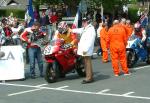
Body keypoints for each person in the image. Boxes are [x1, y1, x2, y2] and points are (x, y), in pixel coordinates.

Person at [71, 17, 96, 84]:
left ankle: (89, 78)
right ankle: (90, 76)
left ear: (87, 22)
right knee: (86, 63)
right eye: (83, 21)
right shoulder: (86, 28)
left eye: (84, 22)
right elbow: (79, 30)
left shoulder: (91, 29)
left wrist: (86, 49)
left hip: (86, 50)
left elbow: (91, 40)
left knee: (87, 63)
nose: (83, 23)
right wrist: (71, 30)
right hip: (84, 49)